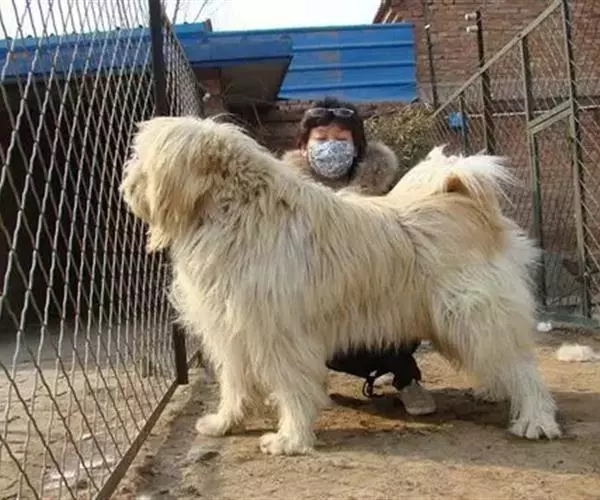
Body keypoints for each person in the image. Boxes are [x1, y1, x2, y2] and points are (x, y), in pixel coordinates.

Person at [281, 96, 436, 416]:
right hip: (314, 300)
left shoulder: (385, 189)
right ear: (304, 146)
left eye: (341, 139)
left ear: (357, 147)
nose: (330, 146)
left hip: (377, 292)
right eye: (321, 139)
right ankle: (304, 386)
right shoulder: (285, 195)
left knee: (397, 316)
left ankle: (407, 380)